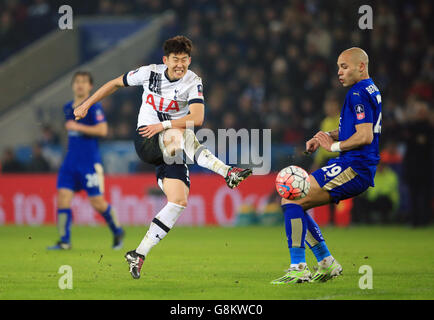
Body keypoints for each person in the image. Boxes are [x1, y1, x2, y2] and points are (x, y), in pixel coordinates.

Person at [73, 36, 252, 279]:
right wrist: (87, 104)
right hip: (147, 139)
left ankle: (138, 253)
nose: (180, 64)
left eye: (185, 59)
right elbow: (115, 83)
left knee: (179, 201)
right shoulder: (149, 73)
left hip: (171, 147)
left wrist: (165, 125)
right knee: (179, 133)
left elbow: (198, 118)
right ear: (165, 60)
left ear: (190, 60)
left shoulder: (193, 81)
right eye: (175, 59)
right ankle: (227, 172)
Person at [271, 47, 382, 284]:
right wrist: (325, 136)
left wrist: (332, 147)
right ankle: (325, 263)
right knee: (292, 201)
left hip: (354, 166)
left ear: (361, 66)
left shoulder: (357, 94)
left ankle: (300, 267)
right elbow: (352, 129)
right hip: (353, 164)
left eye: (344, 67)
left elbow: (364, 136)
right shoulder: (369, 89)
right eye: (338, 68)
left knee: (291, 199)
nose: (339, 73)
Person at [47, 71, 124, 250]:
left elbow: (103, 130)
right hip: (70, 162)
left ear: (90, 86)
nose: (80, 85)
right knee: (63, 198)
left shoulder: (93, 106)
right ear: (73, 85)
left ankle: (117, 230)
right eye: (77, 82)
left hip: (89, 162)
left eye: (84, 82)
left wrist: (77, 126)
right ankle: (64, 241)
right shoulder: (68, 107)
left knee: (97, 202)